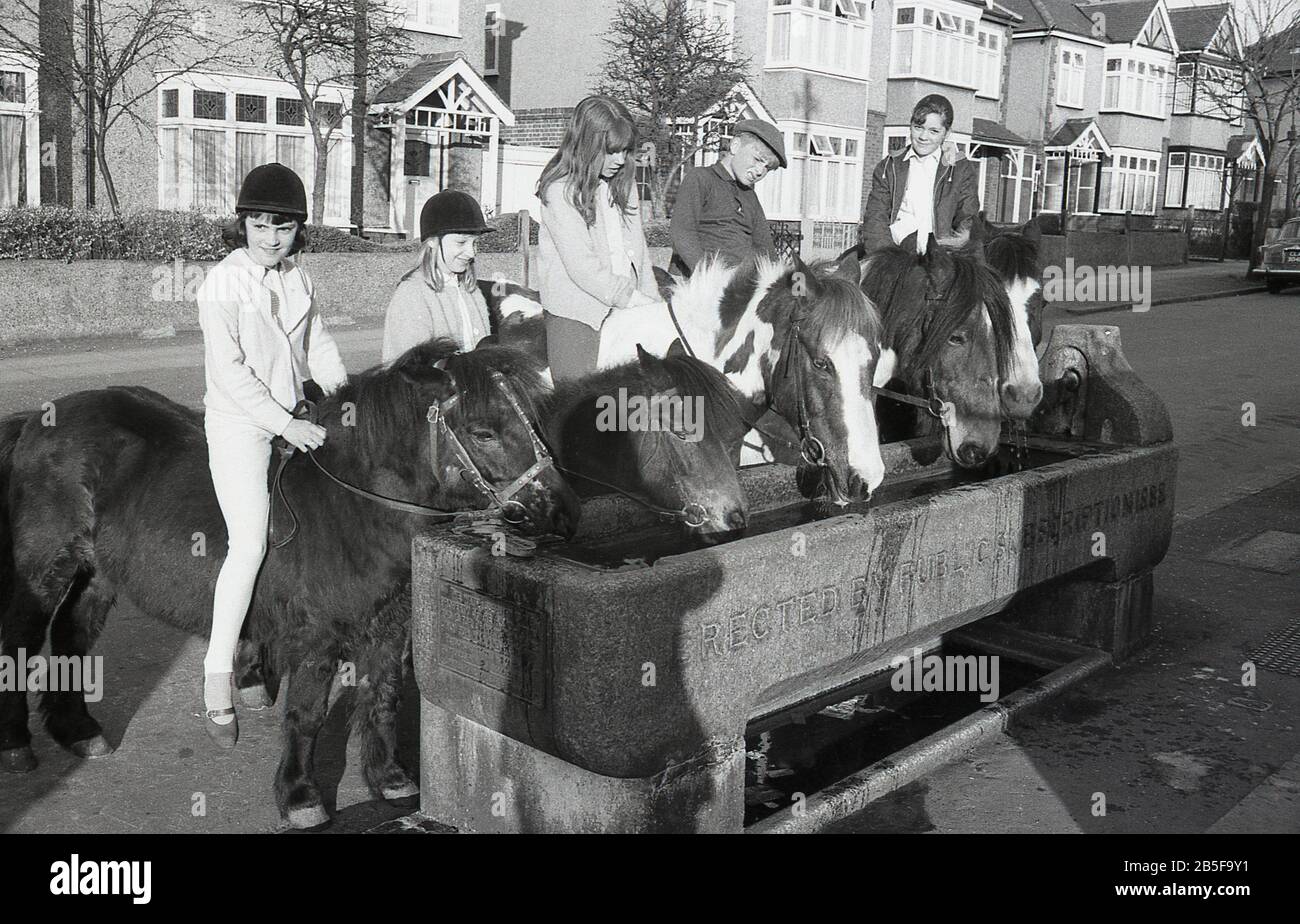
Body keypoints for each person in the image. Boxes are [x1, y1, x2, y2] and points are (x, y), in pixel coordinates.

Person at [197, 163, 348, 748]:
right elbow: (229, 373)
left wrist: (344, 397)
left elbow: (319, 344)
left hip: (294, 417)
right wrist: (284, 422)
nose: (270, 238)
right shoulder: (221, 285)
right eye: (260, 226)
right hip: (240, 426)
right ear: (244, 225)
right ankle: (215, 677)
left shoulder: (298, 279)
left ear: (297, 231)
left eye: (282, 229)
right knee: (250, 542)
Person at [536, 95, 662, 382]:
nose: (620, 160)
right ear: (587, 146)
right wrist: (630, 298)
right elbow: (582, 266)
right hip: (577, 313)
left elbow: (639, 256)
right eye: (611, 151)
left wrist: (653, 303)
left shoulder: (624, 188)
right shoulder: (560, 192)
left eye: (625, 151)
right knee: (581, 404)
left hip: (627, 303)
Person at [858, 94, 981, 255]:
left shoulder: (960, 169)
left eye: (934, 131)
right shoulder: (889, 166)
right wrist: (886, 260)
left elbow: (967, 220)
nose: (923, 137)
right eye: (918, 127)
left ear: (946, 133)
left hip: (940, 258)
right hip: (894, 254)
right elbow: (876, 219)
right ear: (910, 126)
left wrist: (949, 256)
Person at [382, 189, 493, 362]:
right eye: (461, 242)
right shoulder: (411, 295)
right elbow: (409, 375)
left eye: (475, 243)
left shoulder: (470, 289)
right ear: (432, 241)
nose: (471, 253)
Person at [669, 119, 785, 276]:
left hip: (739, 287)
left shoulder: (750, 197)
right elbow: (683, 233)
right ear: (735, 146)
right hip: (697, 282)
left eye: (767, 168)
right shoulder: (701, 178)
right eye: (757, 159)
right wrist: (709, 277)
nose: (759, 171)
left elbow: (765, 249)